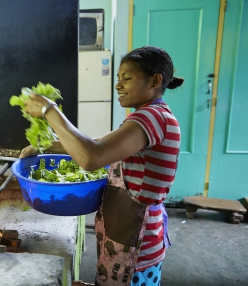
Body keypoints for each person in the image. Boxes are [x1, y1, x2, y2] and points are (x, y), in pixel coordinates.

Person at [20, 46, 183, 286]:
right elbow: (100, 144)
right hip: (126, 232)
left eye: (126, 78)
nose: (118, 85)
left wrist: (49, 110)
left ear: (155, 80)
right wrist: (46, 146)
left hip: (136, 241)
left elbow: (91, 157)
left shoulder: (152, 117)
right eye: (118, 78)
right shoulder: (150, 115)